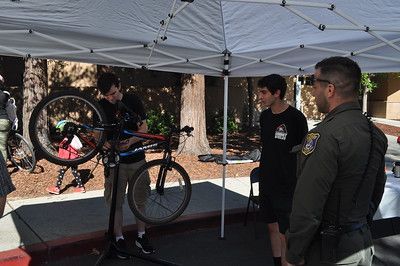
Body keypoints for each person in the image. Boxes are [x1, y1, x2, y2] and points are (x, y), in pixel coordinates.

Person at [286, 57, 388, 266]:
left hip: (331, 251)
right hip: (362, 244)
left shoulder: (325, 136)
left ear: (330, 89)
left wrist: (294, 253)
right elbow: (377, 189)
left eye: (314, 84)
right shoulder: (376, 134)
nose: (313, 91)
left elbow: (308, 204)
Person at [97, 72, 154, 258]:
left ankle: (141, 235)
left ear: (119, 86)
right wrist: (103, 143)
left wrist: (130, 141)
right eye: (107, 95)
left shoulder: (133, 100)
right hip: (115, 162)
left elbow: (144, 129)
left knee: (140, 200)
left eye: (113, 93)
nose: (110, 98)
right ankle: (119, 237)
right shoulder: (101, 106)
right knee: (116, 202)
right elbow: (96, 134)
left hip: (136, 159)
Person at [257, 74, 308, 266]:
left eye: (263, 92)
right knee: (272, 228)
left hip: (288, 186)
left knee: (286, 234)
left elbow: (305, 152)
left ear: (277, 93)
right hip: (266, 182)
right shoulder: (264, 117)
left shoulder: (296, 118)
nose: (260, 97)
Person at [46, 120, 86, 195]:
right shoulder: (72, 137)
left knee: (62, 172)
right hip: (74, 158)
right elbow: (80, 146)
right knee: (74, 172)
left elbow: (77, 146)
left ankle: (57, 188)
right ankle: (81, 187)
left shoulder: (68, 138)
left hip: (66, 159)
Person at [0, 74, 15, 217]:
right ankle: (3, 169)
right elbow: (11, 110)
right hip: (4, 122)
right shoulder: (5, 94)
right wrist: (13, 122)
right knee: (2, 146)